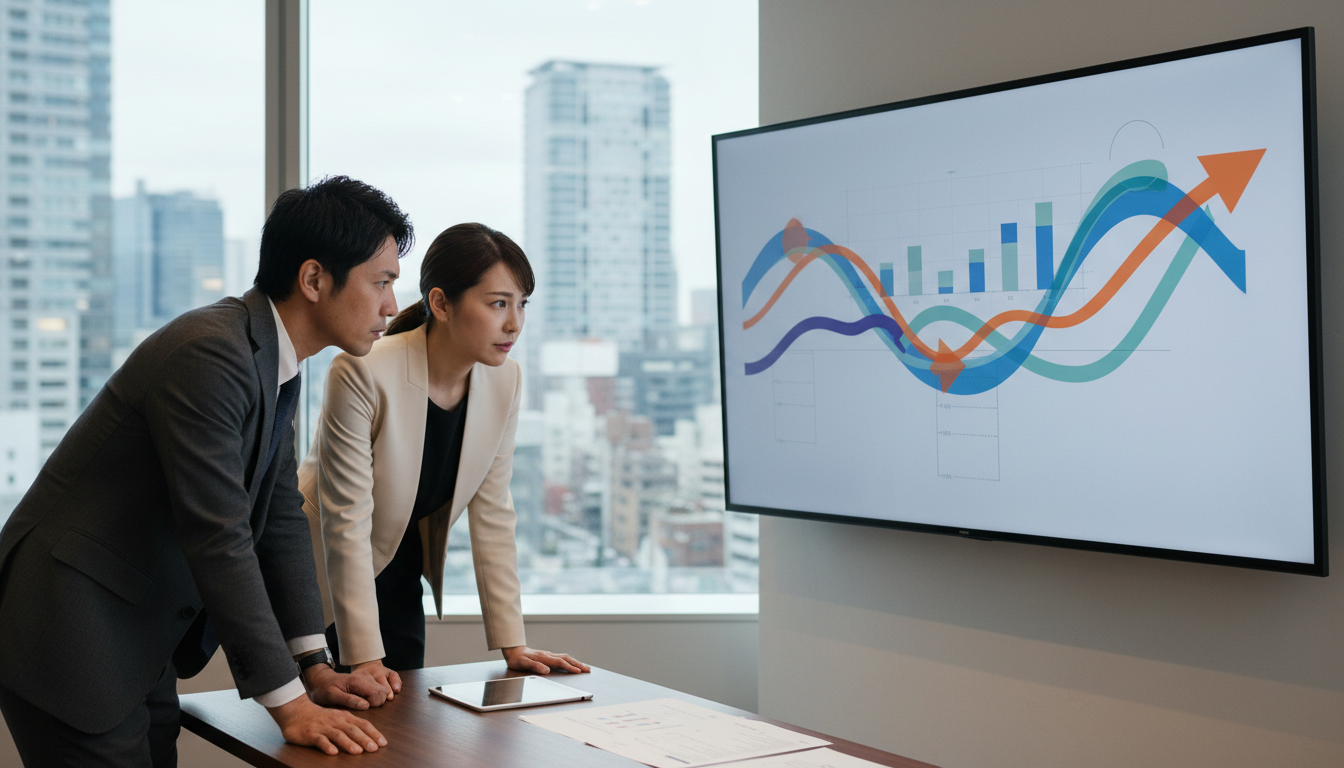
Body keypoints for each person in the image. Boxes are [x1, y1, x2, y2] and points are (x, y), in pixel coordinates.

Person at [0, 176, 414, 766]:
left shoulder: (275, 361)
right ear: (315, 279)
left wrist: (313, 664)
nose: (392, 307)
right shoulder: (211, 354)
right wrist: (290, 705)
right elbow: (219, 536)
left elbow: (279, 519)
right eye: (382, 283)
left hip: (133, 636)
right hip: (70, 629)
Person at [298, 223, 589, 693]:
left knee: (405, 722)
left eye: (521, 304)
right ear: (441, 304)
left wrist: (513, 645)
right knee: (335, 734)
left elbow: (493, 513)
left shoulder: (505, 380)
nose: (514, 323)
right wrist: (364, 657)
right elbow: (345, 521)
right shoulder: (363, 370)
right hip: (321, 574)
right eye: (498, 304)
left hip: (399, 565)